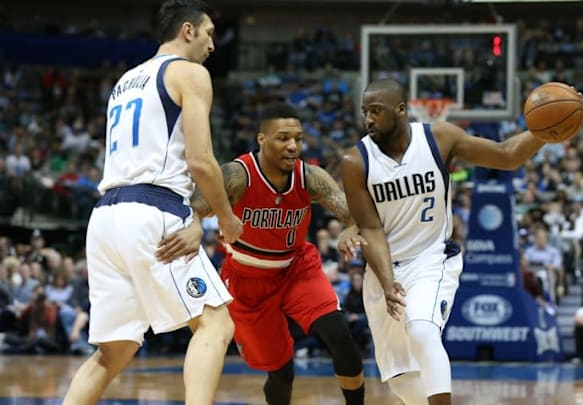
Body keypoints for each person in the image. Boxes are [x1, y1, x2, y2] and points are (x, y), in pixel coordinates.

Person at [340, 78, 580, 405]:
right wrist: (387, 281)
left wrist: (545, 129)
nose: (368, 119)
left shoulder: (439, 137)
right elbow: (370, 229)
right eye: (365, 112)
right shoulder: (355, 162)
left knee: (423, 331)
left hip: (431, 259)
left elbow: (506, 156)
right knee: (402, 380)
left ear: (400, 109)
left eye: (376, 111)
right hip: (383, 269)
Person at [62, 1, 243, 404]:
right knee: (215, 325)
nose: (213, 44)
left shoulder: (125, 80)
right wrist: (227, 219)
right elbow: (201, 161)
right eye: (210, 33)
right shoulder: (190, 73)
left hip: (106, 218)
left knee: (114, 350)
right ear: (188, 30)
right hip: (152, 211)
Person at [169, 102, 366, 405]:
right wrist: (195, 225)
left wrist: (351, 227)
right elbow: (195, 206)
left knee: (338, 334)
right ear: (262, 139)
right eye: (283, 138)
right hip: (247, 279)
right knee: (281, 371)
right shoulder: (239, 175)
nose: (293, 146)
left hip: (296, 266)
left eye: (298, 138)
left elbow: (348, 210)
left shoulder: (310, 176)